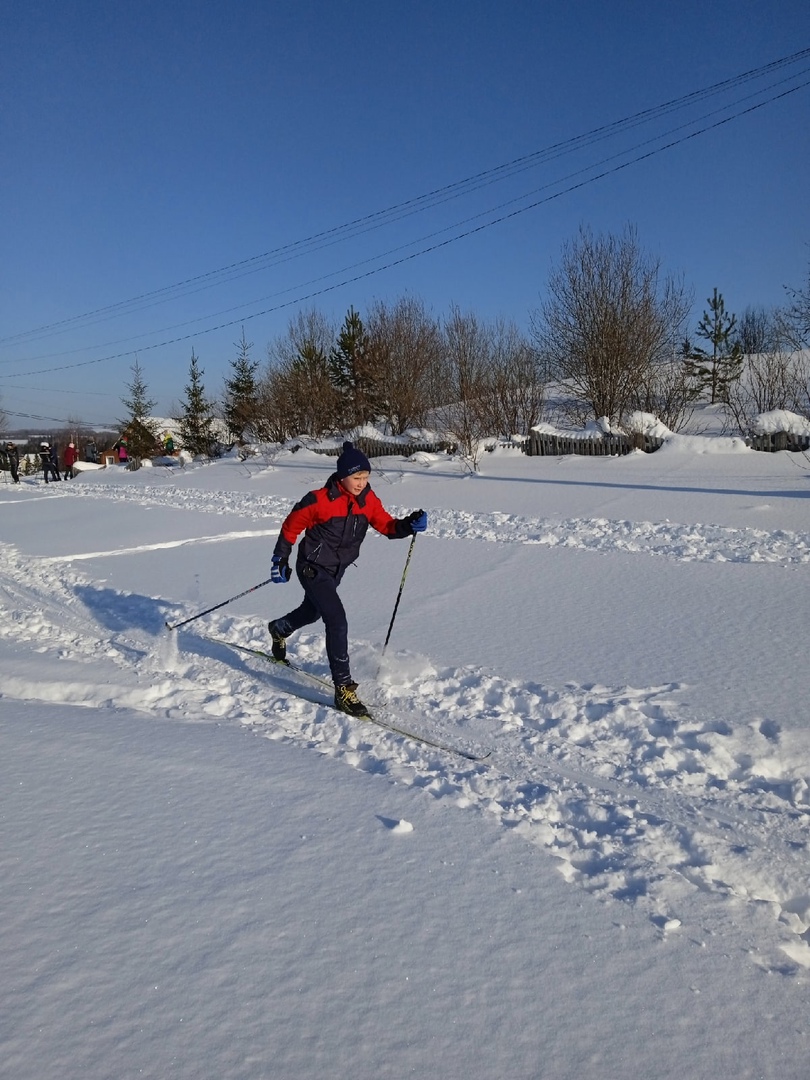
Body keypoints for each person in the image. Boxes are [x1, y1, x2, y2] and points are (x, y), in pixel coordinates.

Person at [268, 441, 427, 717]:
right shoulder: (319, 499)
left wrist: (408, 525)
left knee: (313, 611)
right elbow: (291, 525)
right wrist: (280, 559)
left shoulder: (368, 500)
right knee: (336, 619)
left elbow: (387, 526)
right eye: (357, 478)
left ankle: (280, 628)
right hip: (312, 566)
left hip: (336, 570)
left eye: (366, 477)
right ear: (342, 476)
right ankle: (343, 689)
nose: (362, 483)